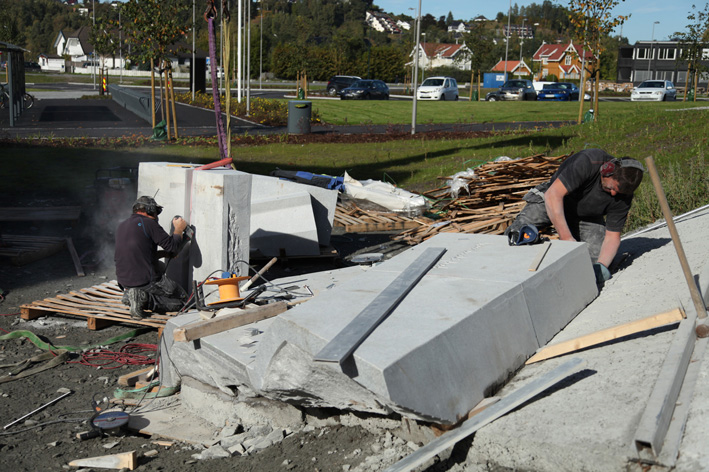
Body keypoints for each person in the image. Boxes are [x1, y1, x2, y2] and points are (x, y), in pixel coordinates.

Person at [506, 149, 644, 283]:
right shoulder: (589, 161)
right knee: (518, 232)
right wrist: (567, 238)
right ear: (607, 170)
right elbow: (553, 195)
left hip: (587, 217)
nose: (614, 194)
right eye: (611, 188)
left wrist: (602, 266)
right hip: (552, 201)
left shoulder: (623, 195)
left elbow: (612, 237)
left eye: (617, 192)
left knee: (597, 261)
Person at [114, 196, 188, 320]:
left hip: (124, 281)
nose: (157, 216)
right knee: (184, 300)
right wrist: (178, 229)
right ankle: (144, 298)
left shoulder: (122, 225)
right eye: (156, 212)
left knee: (161, 266)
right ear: (149, 210)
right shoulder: (149, 223)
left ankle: (130, 294)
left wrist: (163, 254)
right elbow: (172, 246)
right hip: (145, 281)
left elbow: (138, 253)